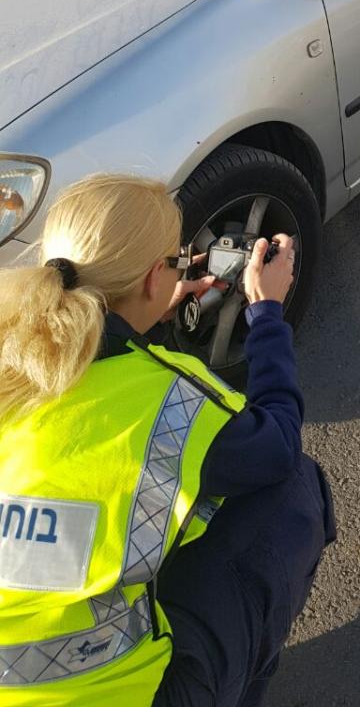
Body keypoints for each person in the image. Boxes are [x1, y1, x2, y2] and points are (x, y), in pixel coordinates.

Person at [0, 173, 334, 707]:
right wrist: (267, 313)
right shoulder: (164, 396)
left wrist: (145, 316)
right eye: (178, 262)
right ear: (157, 276)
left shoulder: (14, 363)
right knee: (295, 486)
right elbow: (276, 443)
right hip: (123, 693)